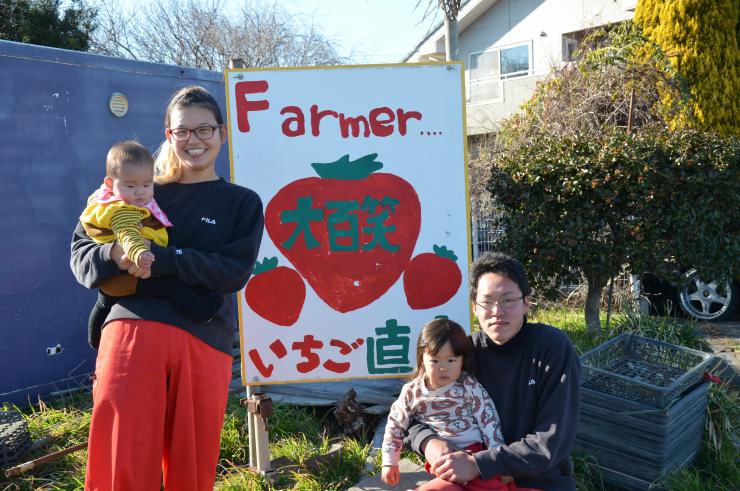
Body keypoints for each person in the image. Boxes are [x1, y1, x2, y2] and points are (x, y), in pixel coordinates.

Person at [70, 85, 264, 490]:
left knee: (190, 471)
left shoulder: (241, 202)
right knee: (121, 463)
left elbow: (232, 273)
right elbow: (82, 255)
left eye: (204, 130)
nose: (194, 141)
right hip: (130, 333)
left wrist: (162, 261)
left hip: (204, 338)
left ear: (222, 134)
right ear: (168, 134)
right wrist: (116, 257)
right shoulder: (134, 187)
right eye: (183, 131)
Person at [407, 252, 581, 491]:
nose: (497, 310)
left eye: (508, 300)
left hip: (537, 480)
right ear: (475, 307)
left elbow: (552, 440)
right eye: (487, 301)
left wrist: (480, 464)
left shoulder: (551, 347)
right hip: (471, 479)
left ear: (526, 302)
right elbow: (409, 410)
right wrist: (428, 442)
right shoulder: (462, 353)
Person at [80, 140, 223, 349]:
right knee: (170, 288)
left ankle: (95, 339)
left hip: (129, 271)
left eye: (147, 185)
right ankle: (204, 310)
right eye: (130, 186)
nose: (140, 192)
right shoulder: (121, 210)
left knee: (105, 301)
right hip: (130, 269)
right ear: (110, 184)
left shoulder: (132, 200)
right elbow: (129, 235)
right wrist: (140, 254)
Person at [382, 318, 515, 491]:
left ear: (462, 360)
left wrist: (498, 460)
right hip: (441, 459)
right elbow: (395, 425)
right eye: (435, 361)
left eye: (451, 360)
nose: (443, 368)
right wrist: (390, 462)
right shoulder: (411, 392)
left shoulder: (469, 387)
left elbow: (489, 422)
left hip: (474, 454)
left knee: (494, 484)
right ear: (422, 359)